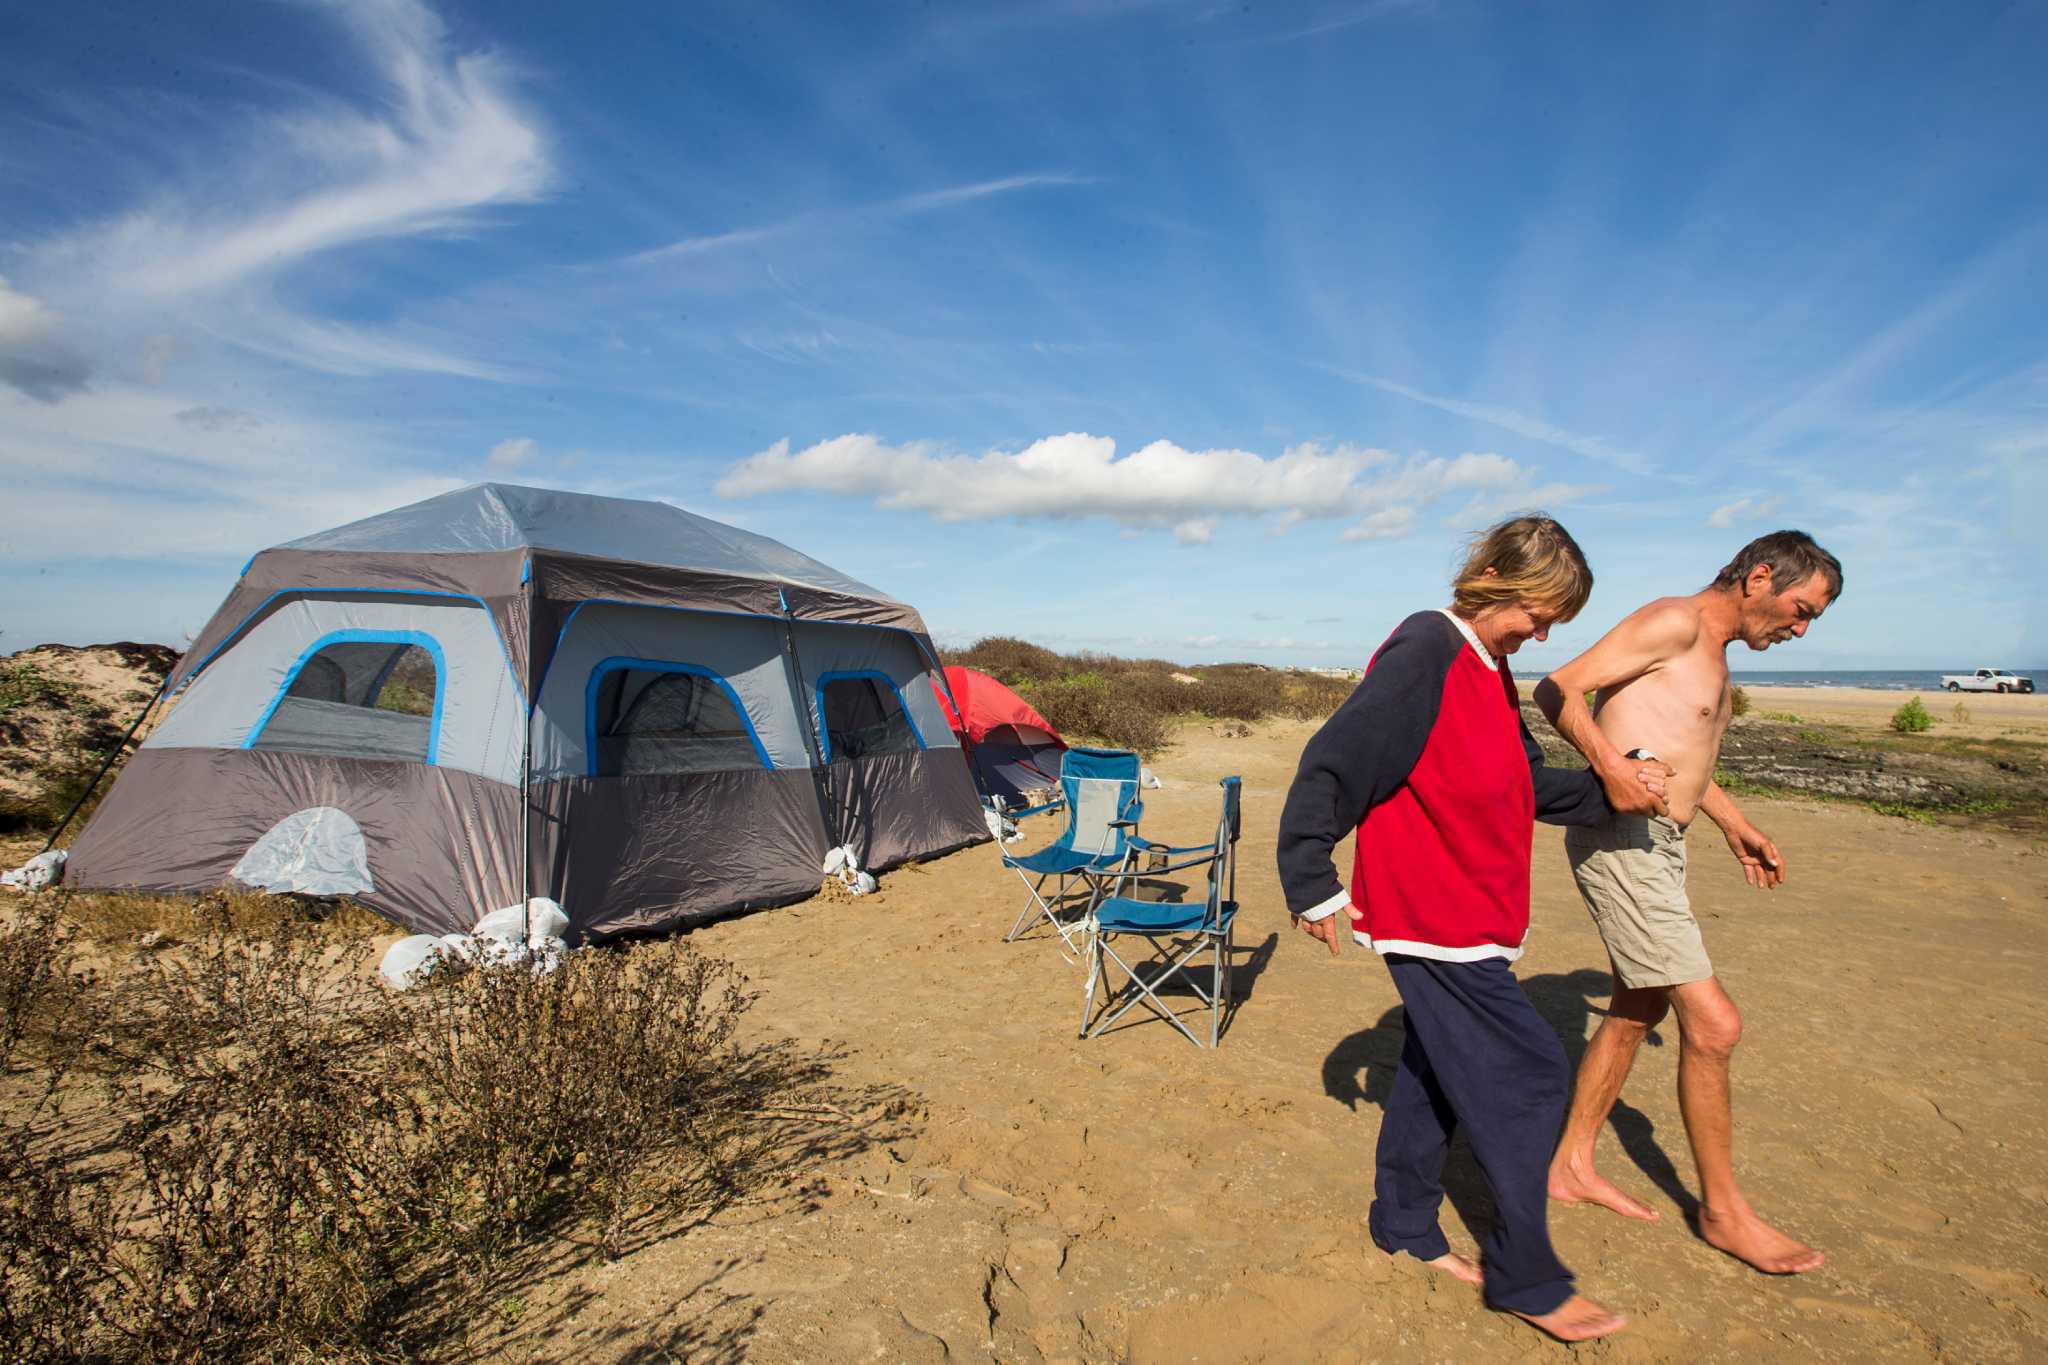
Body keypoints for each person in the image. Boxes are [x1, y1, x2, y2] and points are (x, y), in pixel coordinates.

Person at [1277, 515, 1668, 1344]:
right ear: (1491, 575)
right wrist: (1310, 878)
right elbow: (1336, 759)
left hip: (1473, 911)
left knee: (1431, 1072)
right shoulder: (1427, 648)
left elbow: (1524, 782)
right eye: (1538, 611)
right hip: (1429, 910)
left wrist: (1614, 787)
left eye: (1557, 619)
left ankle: (1403, 1224)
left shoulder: (1489, 671)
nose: (1544, 631)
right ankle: (1527, 1277)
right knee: (1527, 1074)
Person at [1533, 529, 1842, 1276]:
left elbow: (1688, 762)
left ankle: (1571, 1162)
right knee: (1716, 1023)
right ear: (1761, 576)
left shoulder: (1717, 661)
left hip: (1661, 849)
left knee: (1641, 1005)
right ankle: (1723, 1212)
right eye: (1800, 609)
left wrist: (1737, 827)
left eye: (1813, 621)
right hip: (1623, 838)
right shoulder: (1675, 622)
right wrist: (1609, 765)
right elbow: (1556, 687)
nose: (1799, 629)